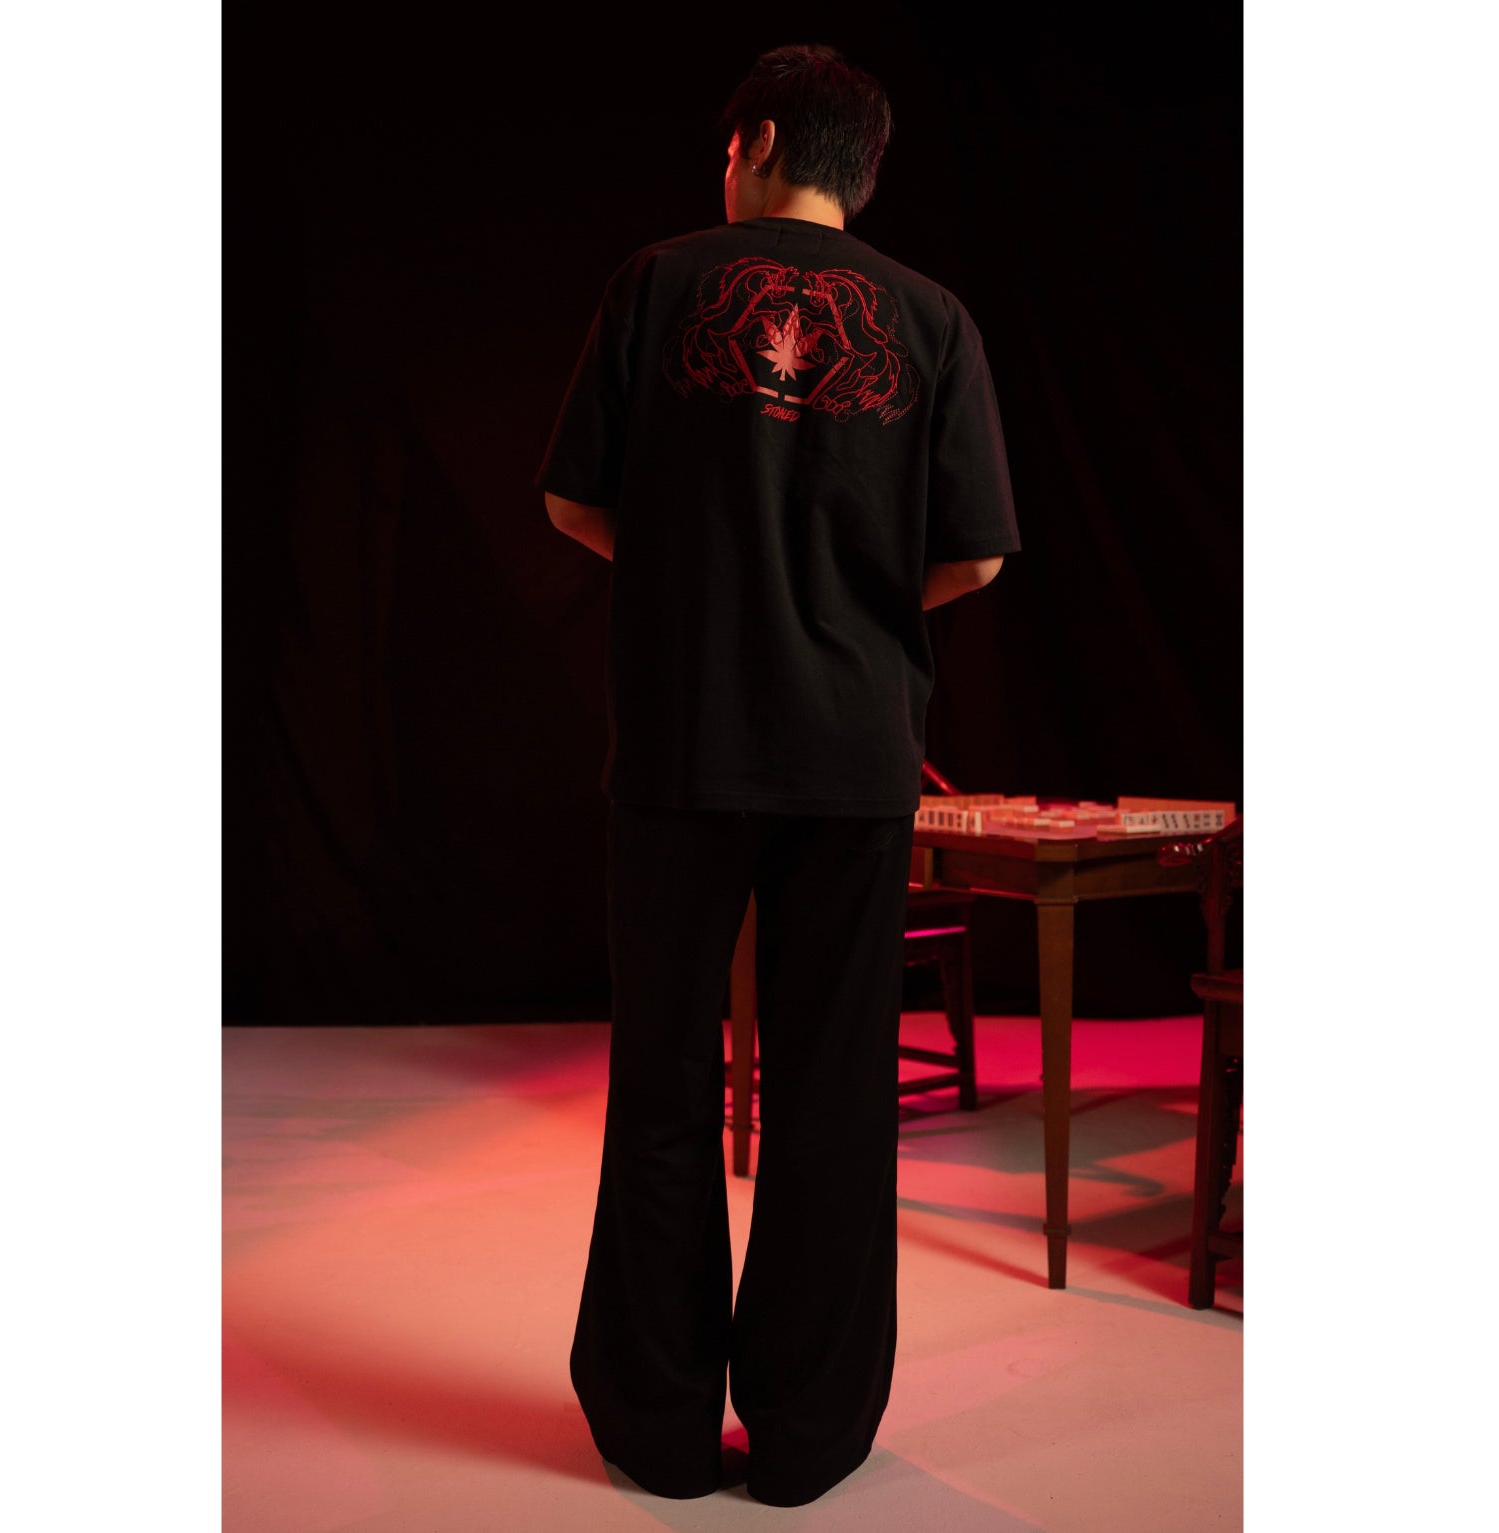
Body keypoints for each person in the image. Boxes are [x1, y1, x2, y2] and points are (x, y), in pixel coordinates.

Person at [534, 42, 1020, 1506]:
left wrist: (698, 579)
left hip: (683, 734)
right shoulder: (931, 317)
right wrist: (850, 610)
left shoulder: (657, 281)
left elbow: (572, 497)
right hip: (850, 748)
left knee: (665, 1078)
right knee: (832, 1088)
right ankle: (809, 1434)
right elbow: (977, 553)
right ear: (858, 172)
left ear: (750, 142)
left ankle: (658, 1426)